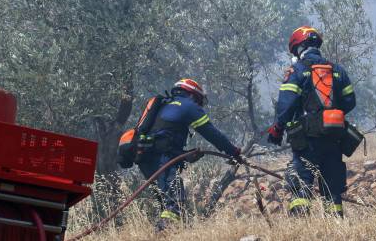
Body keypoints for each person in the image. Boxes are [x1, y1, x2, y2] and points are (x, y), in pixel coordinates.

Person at [267, 26, 356, 217]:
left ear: (299, 48)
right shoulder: (338, 70)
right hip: (334, 138)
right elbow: (350, 102)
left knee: (301, 184)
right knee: (332, 189)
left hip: (308, 140)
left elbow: (286, 104)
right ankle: (337, 227)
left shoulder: (297, 70)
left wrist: (277, 128)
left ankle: (300, 227)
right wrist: (331, 115)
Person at [136, 78, 242, 231]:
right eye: (199, 100)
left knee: (167, 203)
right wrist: (233, 151)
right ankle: (162, 233)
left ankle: (171, 231)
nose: (199, 104)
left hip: (146, 158)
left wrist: (185, 155)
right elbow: (212, 134)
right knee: (175, 202)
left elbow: (163, 136)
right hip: (162, 158)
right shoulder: (188, 106)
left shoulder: (164, 105)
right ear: (192, 95)